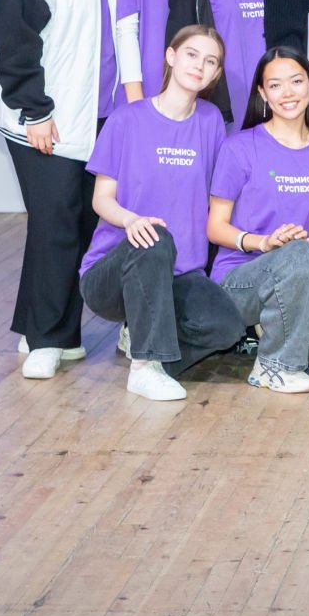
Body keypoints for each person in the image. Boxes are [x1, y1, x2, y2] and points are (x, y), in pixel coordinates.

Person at [0, 0, 124, 379]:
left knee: (80, 223)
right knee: (56, 226)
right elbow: (13, 41)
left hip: (98, 115)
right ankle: (48, 339)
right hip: (46, 116)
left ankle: (50, 330)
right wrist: (35, 111)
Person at [78, 26, 246, 400]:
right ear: (171, 56)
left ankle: (147, 349)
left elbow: (217, 198)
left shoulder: (210, 122)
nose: (199, 65)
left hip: (180, 274)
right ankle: (143, 366)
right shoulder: (127, 119)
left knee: (226, 327)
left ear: (216, 73)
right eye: (191, 54)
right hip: (116, 271)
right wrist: (131, 220)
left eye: (210, 61)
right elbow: (101, 199)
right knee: (156, 238)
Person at [205, 48, 309, 393]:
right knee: (297, 255)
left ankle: (271, 329)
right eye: (275, 85)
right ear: (262, 93)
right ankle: (275, 365)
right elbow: (215, 227)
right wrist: (264, 243)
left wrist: (303, 246)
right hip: (241, 278)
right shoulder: (240, 147)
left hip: (305, 275)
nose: (287, 93)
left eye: (296, 81)